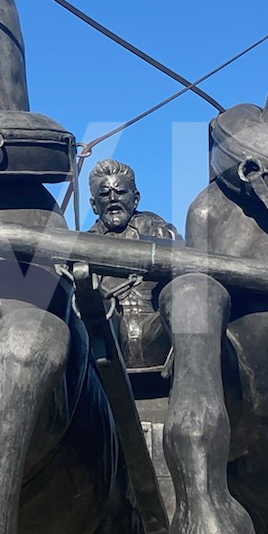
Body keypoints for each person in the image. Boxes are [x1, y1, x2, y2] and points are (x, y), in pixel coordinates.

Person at [85, 158, 180, 386]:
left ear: (135, 198)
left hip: (155, 328)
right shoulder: (85, 243)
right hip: (109, 333)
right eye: (105, 194)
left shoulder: (158, 230)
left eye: (120, 192)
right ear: (94, 205)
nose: (113, 199)